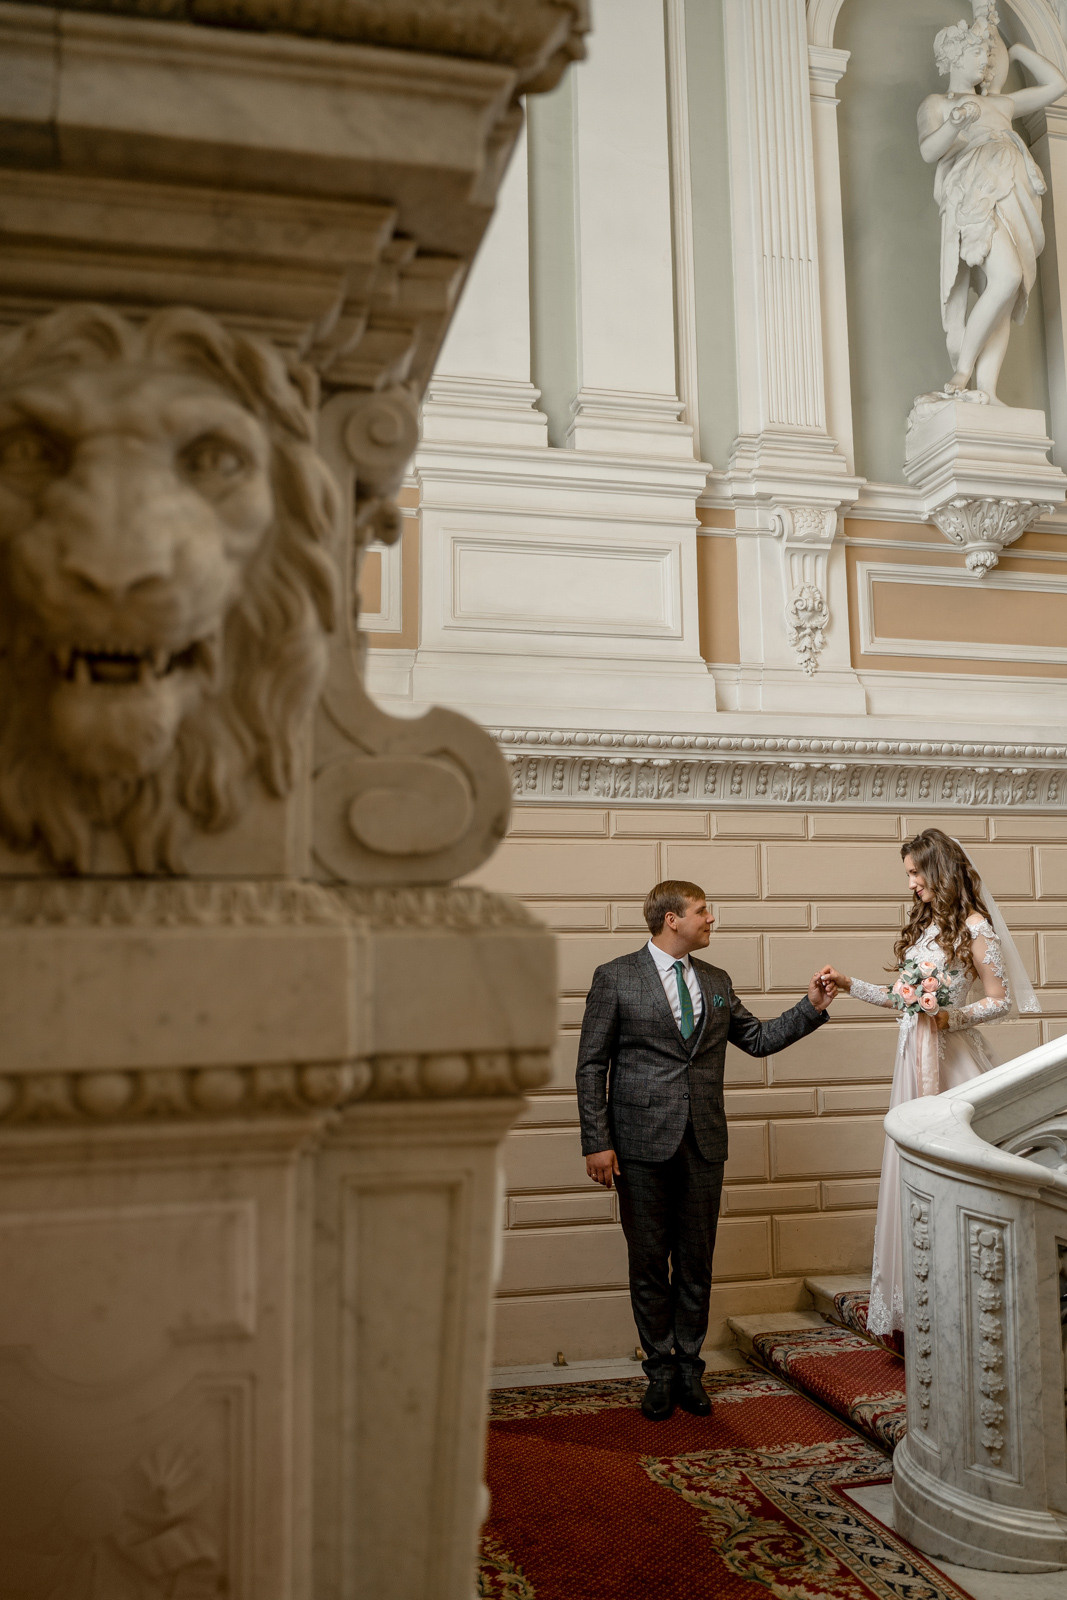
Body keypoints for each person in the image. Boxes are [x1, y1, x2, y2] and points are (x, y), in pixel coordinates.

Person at [575, 879, 836, 1421]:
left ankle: (691, 1369)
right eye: (701, 911)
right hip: (639, 1145)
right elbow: (591, 1065)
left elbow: (758, 1039)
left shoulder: (716, 981)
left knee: (696, 1260)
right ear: (671, 918)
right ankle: (660, 1370)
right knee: (649, 1261)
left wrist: (810, 1007)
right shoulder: (616, 977)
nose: (710, 918)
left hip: (703, 1141)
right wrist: (597, 1143)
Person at [820, 828, 1038, 1337]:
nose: (912, 884)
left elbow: (1001, 998)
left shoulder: (975, 926)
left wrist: (948, 1018)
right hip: (910, 1059)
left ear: (939, 870)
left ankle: (963, 1297)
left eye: (917, 873)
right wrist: (849, 984)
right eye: (909, 875)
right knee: (910, 1166)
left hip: (947, 1057)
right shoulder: (925, 930)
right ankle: (917, 1304)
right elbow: (903, 1000)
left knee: (956, 1170)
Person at [918, 14, 1066, 402]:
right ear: (953, 58)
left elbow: (1057, 85)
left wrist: (1017, 51)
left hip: (1014, 195)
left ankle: (986, 389)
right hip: (975, 196)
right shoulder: (938, 104)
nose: (984, 62)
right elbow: (929, 151)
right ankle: (963, 368)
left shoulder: (1001, 102)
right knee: (1006, 278)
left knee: (1008, 287)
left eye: (987, 55)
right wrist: (953, 124)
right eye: (976, 54)